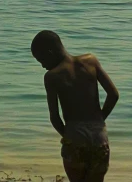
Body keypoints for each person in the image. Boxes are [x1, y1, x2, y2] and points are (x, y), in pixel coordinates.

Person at [31, 30, 119, 182]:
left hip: (75, 137)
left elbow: (55, 118)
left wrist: (68, 136)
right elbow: (114, 95)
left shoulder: (52, 77)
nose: (43, 66)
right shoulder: (91, 61)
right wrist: (99, 120)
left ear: (50, 52)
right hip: (99, 138)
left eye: (42, 60)